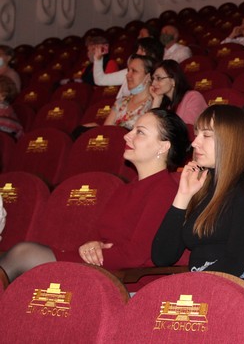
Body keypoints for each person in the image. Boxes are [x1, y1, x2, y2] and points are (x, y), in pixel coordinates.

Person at [0, 109, 190, 285]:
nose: (127, 135)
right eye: (132, 129)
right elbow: (99, 236)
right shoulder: (126, 188)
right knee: (19, 256)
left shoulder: (165, 190)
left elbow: (135, 255)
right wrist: (91, 245)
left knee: (23, 254)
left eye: (139, 132)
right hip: (103, 266)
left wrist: (92, 255)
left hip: (124, 278)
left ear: (163, 146)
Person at [152, 105, 244, 277]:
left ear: (230, 141)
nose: (194, 143)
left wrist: (193, 284)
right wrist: (183, 196)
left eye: (206, 135)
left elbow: (234, 262)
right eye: (196, 134)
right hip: (203, 280)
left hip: (238, 283)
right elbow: (162, 257)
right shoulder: (201, 187)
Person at [94, 37, 165, 100]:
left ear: (152, 55)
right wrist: (98, 59)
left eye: (142, 50)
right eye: (138, 49)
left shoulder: (158, 79)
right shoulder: (128, 72)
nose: (137, 53)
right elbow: (100, 80)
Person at [102, 54, 155, 130]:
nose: (127, 75)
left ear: (148, 76)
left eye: (134, 71)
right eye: (128, 70)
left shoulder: (153, 105)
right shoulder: (120, 102)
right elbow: (106, 131)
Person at [150, 59, 208, 125]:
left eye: (159, 78)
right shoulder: (166, 104)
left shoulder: (193, 97)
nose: (153, 84)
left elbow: (186, 129)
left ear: (173, 81)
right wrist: (157, 100)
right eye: (153, 79)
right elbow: (150, 126)